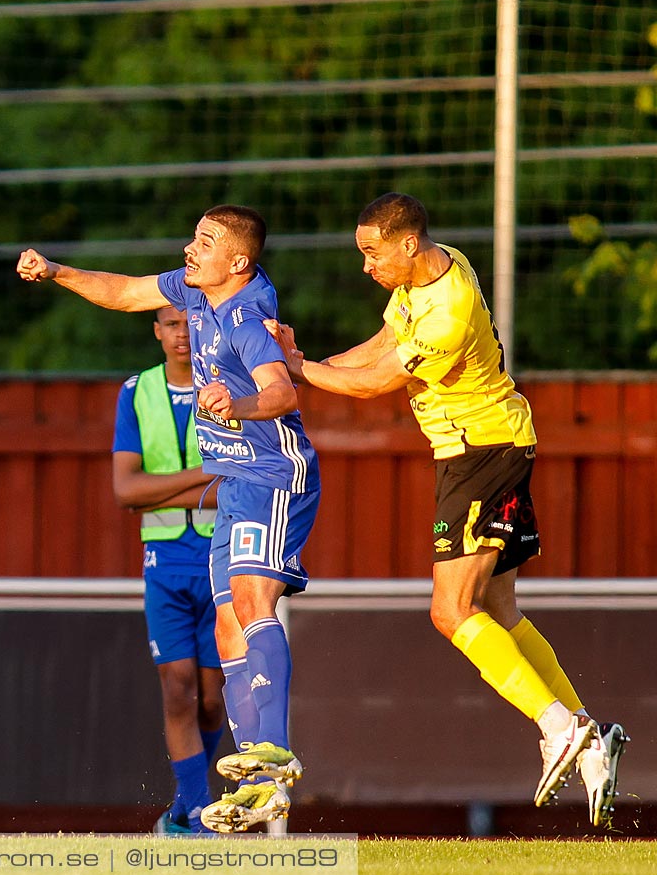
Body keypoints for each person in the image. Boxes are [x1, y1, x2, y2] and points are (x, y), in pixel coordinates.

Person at [266, 192, 628, 828]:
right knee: (497, 610)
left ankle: (557, 726)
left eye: (372, 253)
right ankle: (586, 733)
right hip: (497, 444)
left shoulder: (448, 313)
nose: (366, 266)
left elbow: (376, 383)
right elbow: (382, 344)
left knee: (449, 611)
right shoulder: (436, 267)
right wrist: (303, 367)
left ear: (407, 245)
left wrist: (302, 372)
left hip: (480, 453)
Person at [18, 204, 318, 833]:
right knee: (231, 628)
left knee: (250, 601)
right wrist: (56, 272)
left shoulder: (244, 316)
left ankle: (275, 750)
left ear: (237, 261)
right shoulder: (193, 289)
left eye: (204, 242)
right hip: (234, 484)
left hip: (271, 474)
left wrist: (234, 403)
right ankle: (260, 783)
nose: (189, 248)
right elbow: (126, 291)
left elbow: (285, 392)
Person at [112, 305, 224, 834]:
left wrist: (166, 489)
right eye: (172, 324)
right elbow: (124, 490)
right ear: (156, 331)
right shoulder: (136, 391)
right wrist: (200, 478)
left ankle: (184, 807)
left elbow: (235, 484)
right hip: (163, 560)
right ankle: (198, 813)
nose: (183, 334)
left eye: (191, 323)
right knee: (177, 688)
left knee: (212, 699)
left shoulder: (229, 388)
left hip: (220, 557)